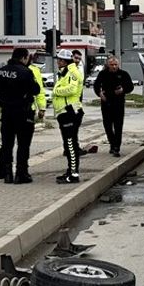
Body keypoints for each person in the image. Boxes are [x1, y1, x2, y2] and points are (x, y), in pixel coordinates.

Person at [0, 47, 40, 184]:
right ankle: (21, 173)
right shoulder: (26, 72)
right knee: (23, 144)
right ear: (24, 58)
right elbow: (35, 90)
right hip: (23, 112)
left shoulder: (1, 71)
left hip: (6, 112)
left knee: (7, 144)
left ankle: (6, 173)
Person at [51, 48, 86, 184]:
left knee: (71, 144)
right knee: (69, 143)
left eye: (59, 60)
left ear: (64, 61)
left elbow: (71, 89)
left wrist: (56, 91)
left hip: (70, 112)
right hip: (65, 112)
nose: (57, 62)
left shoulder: (72, 72)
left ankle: (74, 174)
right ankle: (71, 171)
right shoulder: (65, 72)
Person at [92, 56, 134, 156]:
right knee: (107, 126)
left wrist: (123, 90)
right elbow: (96, 85)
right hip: (106, 102)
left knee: (118, 126)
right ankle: (112, 143)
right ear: (108, 65)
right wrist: (100, 94)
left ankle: (116, 147)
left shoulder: (123, 74)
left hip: (118, 103)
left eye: (115, 65)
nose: (114, 67)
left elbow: (130, 86)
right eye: (112, 65)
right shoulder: (103, 74)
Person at [28, 53, 50, 122]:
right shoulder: (34, 70)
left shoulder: (10, 70)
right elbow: (39, 90)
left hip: (11, 108)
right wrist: (42, 108)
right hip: (29, 108)